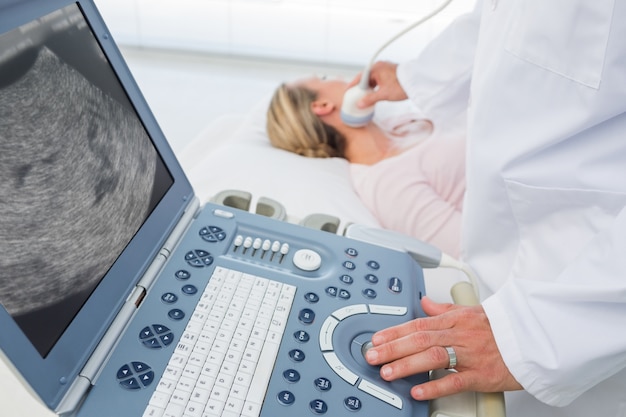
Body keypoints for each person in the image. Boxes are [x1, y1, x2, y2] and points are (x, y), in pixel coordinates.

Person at [350, 1, 626, 416]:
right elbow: (507, 20)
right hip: (504, 275)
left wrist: (534, 335)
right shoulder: (385, 179)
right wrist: (415, 75)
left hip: (589, 300)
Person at [266, 77, 466, 257]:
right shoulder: (387, 185)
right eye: (324, 78)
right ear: (323, 105)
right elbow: (468, 248)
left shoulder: (401, 123)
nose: (340, 78)